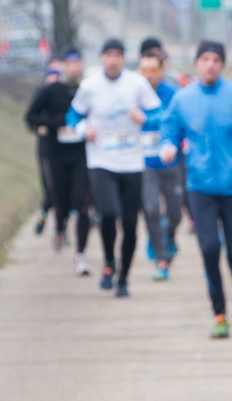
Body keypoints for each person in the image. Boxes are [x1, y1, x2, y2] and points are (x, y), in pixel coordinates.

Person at [159, 40, 232, 338]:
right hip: (199, 188)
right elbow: (170, 127)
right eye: (204, 59)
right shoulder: (183, 99)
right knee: (209, 249)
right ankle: (219, 314)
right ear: (197, 63)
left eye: (216, 59)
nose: (210, 64)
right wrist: (168, 146)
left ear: (222, 64)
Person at [67, 38, 162, 297]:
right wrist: (83, 129)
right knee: (108, 214)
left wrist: (145, 118)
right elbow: (72, 115)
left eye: (117, 55)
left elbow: (159, 113)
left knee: (130, 225)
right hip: (101, 161)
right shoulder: (89, 86)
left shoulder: (137, 83)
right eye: (108, 54)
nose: (112, 59)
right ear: (101, 58)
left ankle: (123, 278)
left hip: (132, 162)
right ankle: (109, 262)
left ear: (123, 58)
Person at [25, 45, 93, 274]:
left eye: (77, 62)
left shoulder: (89, 88)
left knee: (83, 202)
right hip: (56, 152)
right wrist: (49, 124)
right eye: (69, 63)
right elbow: (31, 115)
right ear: (62, 65)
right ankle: (59, 226)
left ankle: (81, 255)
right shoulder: (51, 90)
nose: (74, 67)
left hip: (82, 153)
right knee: (59, 200)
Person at [137, 49, 183, 281]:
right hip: (145, 164)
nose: (148, 75)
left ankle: (169, 234)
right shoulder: (132, 93)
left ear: (162, 70)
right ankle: (162, 260)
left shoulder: (173, 93)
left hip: (171, 163)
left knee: (175, 214)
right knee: (152, 209)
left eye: (153, 70)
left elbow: (174, 117)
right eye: (143, 70)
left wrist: (146, 119)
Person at [25, 67, 59, 236]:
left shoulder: (63, 98)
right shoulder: (40, 97)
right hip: (46, 149)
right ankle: (42, 216)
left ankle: (60, 229)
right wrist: (39, 127)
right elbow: (30, 117)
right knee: (50, 191)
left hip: (63, 150)